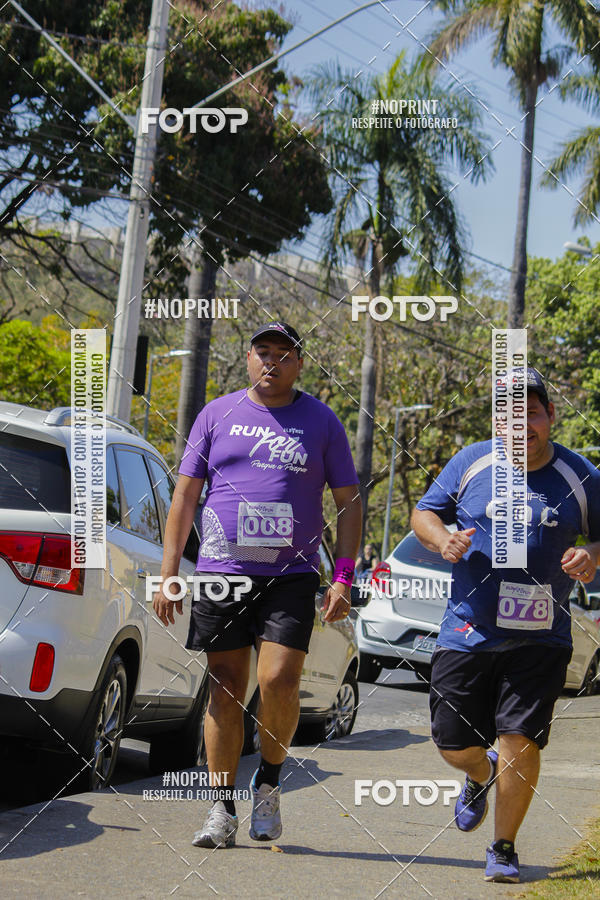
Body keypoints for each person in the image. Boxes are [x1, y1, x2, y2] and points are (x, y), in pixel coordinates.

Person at [153, 321, 362, 849]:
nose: (271, 362)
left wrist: (343, 575)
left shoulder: (321, 421)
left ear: (299, 364)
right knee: (225, 686)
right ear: (248, 358)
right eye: (262, 352)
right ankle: (220, 810)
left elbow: (349, 502)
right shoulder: (215, 414)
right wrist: (170, 574)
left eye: (284, 354)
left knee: (279, 681)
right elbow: (184, 497)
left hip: (289, 575)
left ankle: (268, 782)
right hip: (223, 573)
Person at [411, 368, 600, 883]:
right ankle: (480, 771)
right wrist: (441, 538)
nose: (523, 426)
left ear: (550, 416)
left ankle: (504, 846)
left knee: (521, 738)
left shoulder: (580, 476)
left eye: (533, 413)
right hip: (467, 630)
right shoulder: (473, 462)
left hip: (541, 637)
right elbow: (423, 512)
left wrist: (591, 553)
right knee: (452, 744)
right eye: (511, 416)